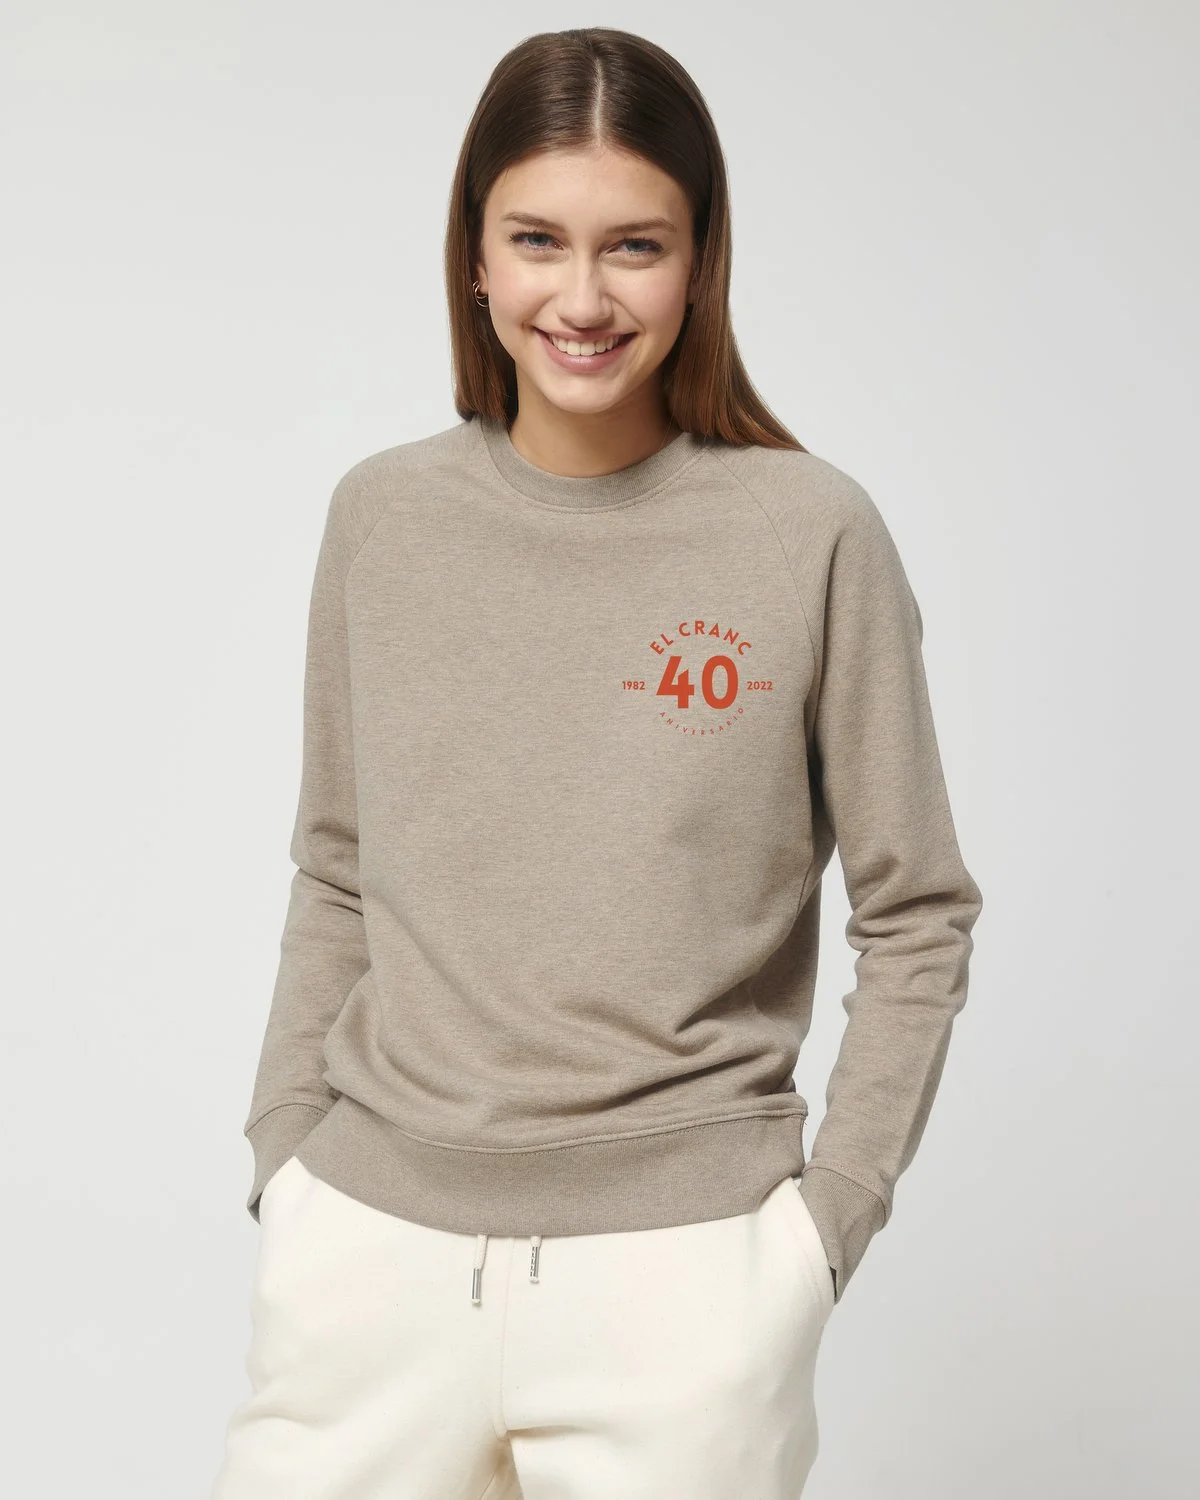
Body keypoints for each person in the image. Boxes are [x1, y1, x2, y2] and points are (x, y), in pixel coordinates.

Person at [209, 24, 983, 1500]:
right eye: (536, 241)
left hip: (685, 1286)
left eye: (634, 245)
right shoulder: (382, 519)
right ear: (475, 256)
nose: (580, 298)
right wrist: (285, 1158)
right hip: (365, 1261)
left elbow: (918, 912)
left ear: (700, 262)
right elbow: (339, 868)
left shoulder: (811, 535)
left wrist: (821, 1230)